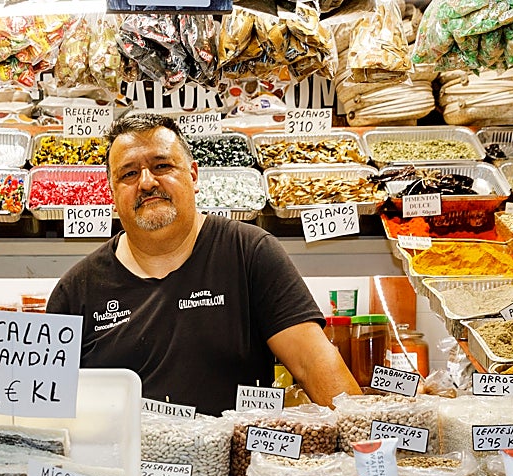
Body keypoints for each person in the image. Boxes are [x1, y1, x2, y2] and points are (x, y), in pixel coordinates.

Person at [46, 112, 362, 416]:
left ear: (194, 175)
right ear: (112, 193)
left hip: (236, 468)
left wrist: (369, 453)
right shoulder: (76, 291)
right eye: (128, 174)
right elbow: (47, 407)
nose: (146, 182)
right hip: (121, 469)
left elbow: (314, 364)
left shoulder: (250, 252)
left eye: (162, 165)